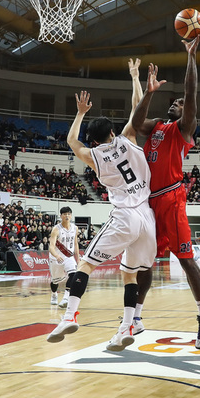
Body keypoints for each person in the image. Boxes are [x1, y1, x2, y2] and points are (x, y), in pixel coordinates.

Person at [47, 90, 156, 352]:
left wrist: (81, 112)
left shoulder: (94, 156)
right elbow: (137, 108)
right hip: (147, 216)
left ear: (95, 141)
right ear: (112, 132)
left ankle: (70, 316)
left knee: (85, 264)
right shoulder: (129, 137)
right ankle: (128, 326)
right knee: (130, 273)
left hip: (124, 215)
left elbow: (72, 140)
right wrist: (134, 78)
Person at [131, 38, 200, 349]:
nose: (177, 102)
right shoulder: (155, 127)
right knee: (146, 261)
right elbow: (136, 121)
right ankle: (136, 318)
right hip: (149, 202)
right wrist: (149, 93)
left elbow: (191, 93)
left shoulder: (183, 129)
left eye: (180, 102)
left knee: (185, 259)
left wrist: (191, 56)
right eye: (175, 101)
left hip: (172, 197)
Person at [48, 206, 80, 308]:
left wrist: (78, 258)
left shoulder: (75, 228)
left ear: (71, 215)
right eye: (65, 214)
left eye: (69, 214)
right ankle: (54, 294)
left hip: (68, 256)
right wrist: (56, 255)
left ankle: (66, 298)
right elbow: (51, 247)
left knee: (73, 274)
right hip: (56, 257)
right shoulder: (56, 229)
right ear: (61, 216)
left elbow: (75, 244)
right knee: (55, 281)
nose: (67, 216)